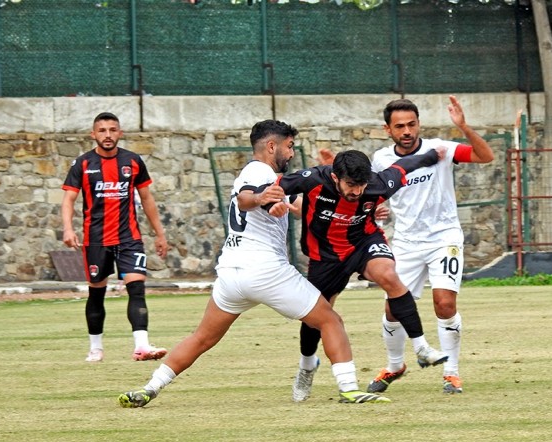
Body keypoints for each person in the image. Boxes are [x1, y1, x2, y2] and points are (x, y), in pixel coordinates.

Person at [118, 120, 390, 407]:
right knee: (330, 321)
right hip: (264, 270)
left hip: (231, 273)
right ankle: (349, 388)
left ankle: (150, 388)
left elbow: (290, 207)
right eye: (289, 146)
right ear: (272, 146)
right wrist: (261, 198)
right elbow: (248, 198)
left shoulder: (264, 177)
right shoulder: (258, 170)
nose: (291, 153)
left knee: (202, 338)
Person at [275, 148, 449, 403]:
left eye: (361, 185)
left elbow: (406, 165)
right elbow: (276, 185)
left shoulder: (378, 184)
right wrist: (271, 202)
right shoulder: (313, 179)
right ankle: (307, 366)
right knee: (316, 317)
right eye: (351, 185)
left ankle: (421, 347)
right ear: (335, 177)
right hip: (325, 256)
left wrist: (434, 154)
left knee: (389, 275)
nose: (357, 191)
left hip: (363, 242)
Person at [368, 95, 495, 394]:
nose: (407, 131)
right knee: (393, 310)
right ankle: (395, 365)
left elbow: (485, 156)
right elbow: (375, 194)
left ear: (419, 124)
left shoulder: (441, 149)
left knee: (445, 303)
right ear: (388, 129)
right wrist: (375, 208)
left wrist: (464, 127)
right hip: (407, 243)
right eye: (400, 126)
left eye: (412, 124)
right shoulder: (381, 159)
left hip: (444, 239)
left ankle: (451, 373)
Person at [62, 112, 169, 363]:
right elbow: (69, 199)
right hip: (96, 240)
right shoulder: (83, 164)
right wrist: (67, 229)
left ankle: (141, 346)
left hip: (129, 238)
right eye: (102, 130)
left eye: (112, 130)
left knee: (137, 289)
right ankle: (96, 348)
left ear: (120, 133)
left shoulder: (132, 161)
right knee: (96, 294)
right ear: (93, 134)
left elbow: (147, 198)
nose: (107, 135)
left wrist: (160, 234)